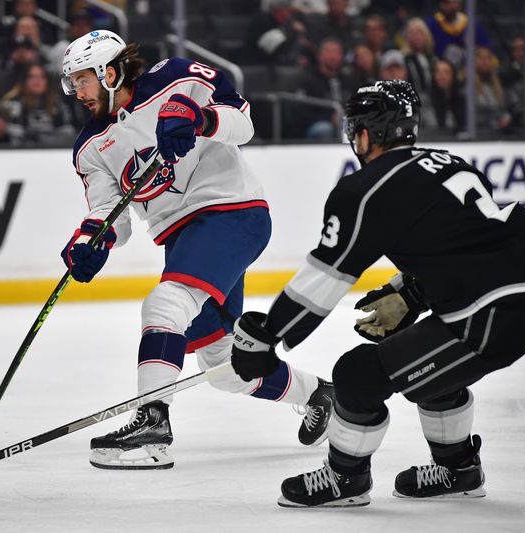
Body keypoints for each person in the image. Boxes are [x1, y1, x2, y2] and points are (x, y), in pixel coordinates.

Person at [230, 79, 525, 507]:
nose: (352, 137)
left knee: (357, 375)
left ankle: (345, 479)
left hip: (491, 310)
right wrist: (413, 294)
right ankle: (458, 469)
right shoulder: (448, 162)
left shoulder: (364, 189)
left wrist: (269, 334)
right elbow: (469, 244)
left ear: (369, 132)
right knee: (435, 374)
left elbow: (326, 278)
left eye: (355, 127)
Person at [60, 29, 334, 470]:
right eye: (72, 83)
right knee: (224, 367)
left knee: (164, 305)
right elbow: (110, 211)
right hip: (183, 237)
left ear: (110, 73)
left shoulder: (177, 77)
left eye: (83, 80)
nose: (77, 92)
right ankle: (321, 395)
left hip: (232, 211)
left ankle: (152, 425)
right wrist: (92, 240)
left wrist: (200, 118)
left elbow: (243, 123)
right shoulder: (90, 146)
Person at [0, 62, 75, 142]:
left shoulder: (57, 103)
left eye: (42, 77)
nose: (37, 80)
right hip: (18, 151)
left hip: (52, 150)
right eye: (32, 77)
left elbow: (69, 130)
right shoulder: (12, 103)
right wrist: (29, 135)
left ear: (47, 81)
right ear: (24, 81)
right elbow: (3, 129)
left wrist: (45, 138)